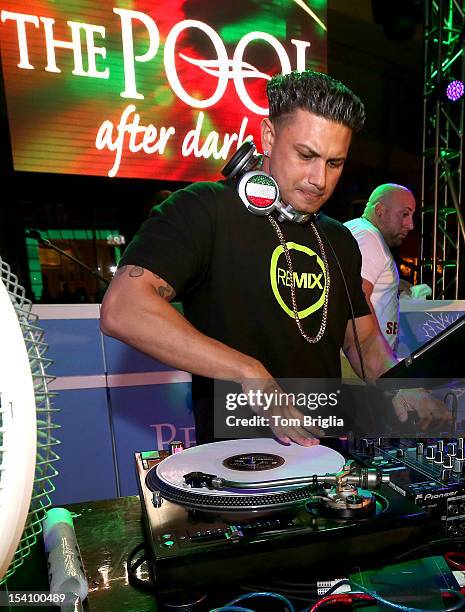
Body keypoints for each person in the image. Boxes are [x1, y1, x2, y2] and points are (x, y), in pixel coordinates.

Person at [100, 70, 448, 446]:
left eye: (335, 163)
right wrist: (250, 373)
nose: (319, 179)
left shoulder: (339, 239)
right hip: (235, 468)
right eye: (306, 155)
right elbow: (124, 308)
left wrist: (402, 389)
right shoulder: (204, 209)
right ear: (268, 137)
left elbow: (363, 344)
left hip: (325, 460)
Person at [344, 184, 416, 353]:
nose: (410, 225)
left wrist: (392, 284)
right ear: (380, 210)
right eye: (405, 214)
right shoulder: (369, 238)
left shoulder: (359, 230)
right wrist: (378, 360)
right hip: (363, 364)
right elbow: (357, 298)